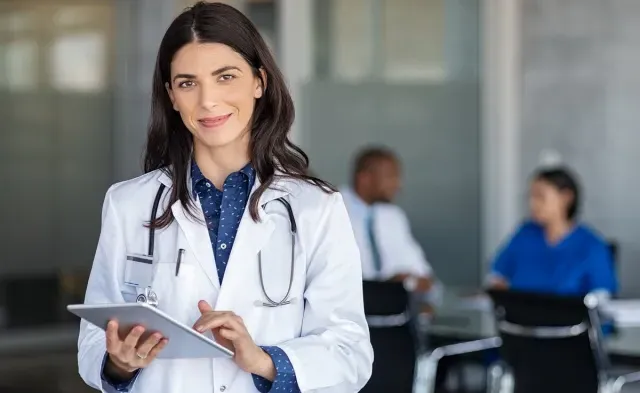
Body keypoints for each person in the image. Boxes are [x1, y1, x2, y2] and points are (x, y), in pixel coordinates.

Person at [77, 3, 373, 393]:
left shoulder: (316, 208)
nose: (208, 100)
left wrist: (264, 360)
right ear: (171, 96)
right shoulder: (128, 205)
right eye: (187, 83)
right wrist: (118, 362)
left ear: (258, 82)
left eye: (225, 77)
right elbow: (92, 342)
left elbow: (350, 351)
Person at [488, 166, 617, 297]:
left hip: (568, 317)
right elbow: (498, 276)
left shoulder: (592, 247)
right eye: (531, 197)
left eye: (540, 197)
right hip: (519, 315)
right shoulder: (525, 234)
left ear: (566, 198)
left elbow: (601, 298)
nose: (532, 204)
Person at [340, 147, 436, 295]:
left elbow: (424, 278)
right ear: (365, 179)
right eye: (390, 177)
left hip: (393, 312)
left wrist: (405, 282)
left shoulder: (393, 216)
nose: (398, 185)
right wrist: (388, 285)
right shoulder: (333, 210)